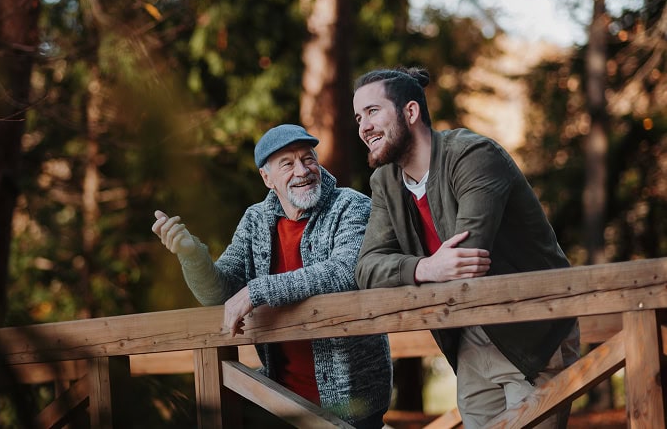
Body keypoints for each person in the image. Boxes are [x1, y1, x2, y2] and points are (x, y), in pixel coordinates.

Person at [352, 67, 580, 428]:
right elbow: (366, 268)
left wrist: (417, 268)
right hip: (470, 338)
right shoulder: (385, 182)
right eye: (359, 116)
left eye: (373, 111)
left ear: (410, 112)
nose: (363, 126)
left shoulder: (473, 156)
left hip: (532, 329)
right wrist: (425, 268)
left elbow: (467, 261)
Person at [151, 124, 392, 428]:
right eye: (287, 164)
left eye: (308, 158)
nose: (302, 170)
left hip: (352, 404)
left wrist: (257, 291)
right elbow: (219, 293)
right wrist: (191, 255)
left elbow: (346, 272)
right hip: (279, 400)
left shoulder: (351, 205)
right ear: (267, 178)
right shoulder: (255, 220)